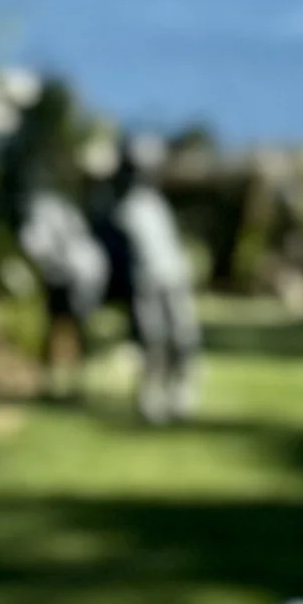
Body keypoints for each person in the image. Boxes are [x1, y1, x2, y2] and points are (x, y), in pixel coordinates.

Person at [103, 143, 203, 424]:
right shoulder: (119, 209)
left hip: (174, 277)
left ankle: (182, 394)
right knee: (153, 339)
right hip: (145, 281)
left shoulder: (156, 203)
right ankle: (150, 398)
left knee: (183, 336)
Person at [16, 188, 108, 394]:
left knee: (75, 328)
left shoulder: (64, 211)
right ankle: (51, 382)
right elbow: (33, 245)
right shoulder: (46, 210)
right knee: (55, 329)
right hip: (59, 279)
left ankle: (75, 382)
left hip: (74, 278)